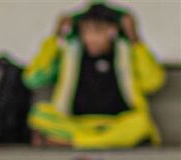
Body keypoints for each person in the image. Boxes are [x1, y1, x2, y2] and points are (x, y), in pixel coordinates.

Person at [25, 2, 165, 148]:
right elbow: (33, 78)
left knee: (141, 123)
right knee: (39, 115)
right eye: (86, 31)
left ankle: (74, 143)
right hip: (76, 124)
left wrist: (135, 39)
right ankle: (96, 142)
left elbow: (153, 82)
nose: (90, 38)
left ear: (112, 31)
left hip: (117, 123)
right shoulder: (70, 54)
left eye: (98, 31)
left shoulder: (126, 53)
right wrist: (55, 37)